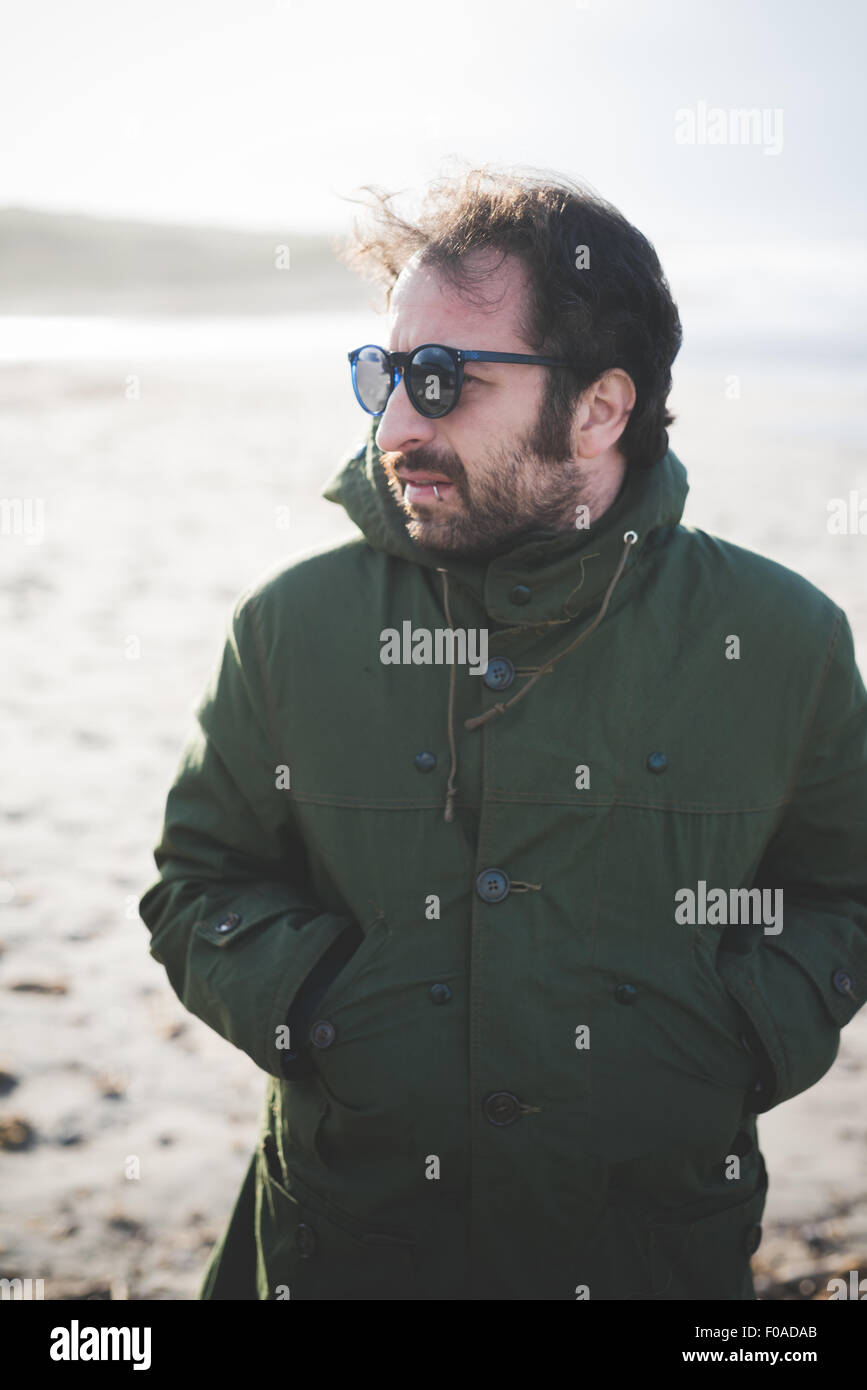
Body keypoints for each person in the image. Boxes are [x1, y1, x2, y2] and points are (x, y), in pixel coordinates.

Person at [139, 167, 867, 1301]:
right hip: (347, 1246)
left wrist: (731, 1038)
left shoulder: (784, 642)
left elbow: (845, 891)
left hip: (647, 1254)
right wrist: (326, 1003)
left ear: (599, 407)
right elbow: (199, 880)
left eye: (442, 380)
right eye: (382, 373)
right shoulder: (292, 627)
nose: (396, 422)